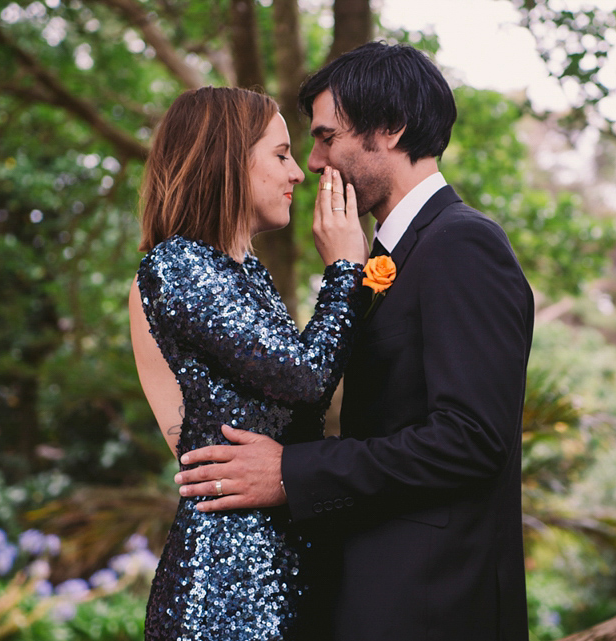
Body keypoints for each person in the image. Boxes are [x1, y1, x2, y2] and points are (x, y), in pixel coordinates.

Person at [175, 42, 535, 641]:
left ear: (389, 129)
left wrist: (292, 470)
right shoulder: (385, 258)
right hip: (381, 595)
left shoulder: (462, 244)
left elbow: (471, 439)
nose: (313, 162)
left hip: (434, 605)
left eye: (325, 137)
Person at [128, 86, 369, 641]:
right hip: (225, 592)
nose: (299, 173)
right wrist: (344, 273)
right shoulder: (177, 263)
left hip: (284, 571)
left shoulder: (247, 274)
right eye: (281, 154)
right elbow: (305, 377)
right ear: (228, 158)